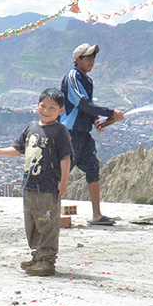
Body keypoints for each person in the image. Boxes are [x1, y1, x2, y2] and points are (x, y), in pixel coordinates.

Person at [0, 88, 73, 276]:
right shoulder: (31, 127)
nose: (46, 111)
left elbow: (65, 158)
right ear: (37, 105)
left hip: (48, 186)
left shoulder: (60, 131)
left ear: (61, 111)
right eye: (43, 106)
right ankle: (37, 256)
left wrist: (63, 182)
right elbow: (17, 149)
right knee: (32, 222)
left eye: (52, 108)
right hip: (30, 186)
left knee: (46, 222)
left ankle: (47, 260)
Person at [60, 43, 124, 225]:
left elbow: (88, 108)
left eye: (93, 58)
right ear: (77, 59)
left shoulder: (86, 80)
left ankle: (97, 214)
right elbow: (83, 104)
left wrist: (96, 120)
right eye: (87, 57)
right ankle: (51, 212)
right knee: (61, 173)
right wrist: (111, 113)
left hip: (83, 134)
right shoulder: (72, 77)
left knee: (93, 170)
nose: (91, 61)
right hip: (70, 134)